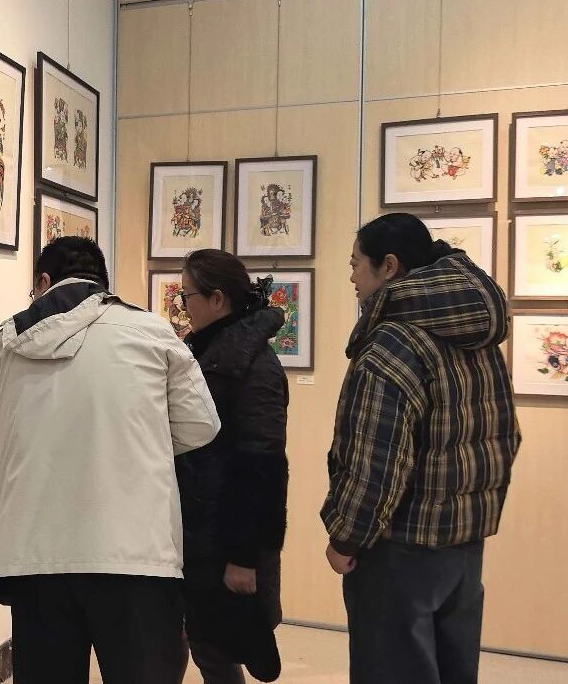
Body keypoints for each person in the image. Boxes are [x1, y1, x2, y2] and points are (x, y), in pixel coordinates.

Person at [0, 237, 220, 684]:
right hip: (136, 555)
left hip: (35, 559)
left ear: (44, 281)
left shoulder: (8, 339)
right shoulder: (152, 332)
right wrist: (140, 442)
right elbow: (202, 424)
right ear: (102, 282)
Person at [321, 213, 521, 684]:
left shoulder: (393, 343)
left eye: (355, 263)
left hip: (399, 549)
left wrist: (347, 538)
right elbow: (505, 434)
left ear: (388, 266)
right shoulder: (477, 340)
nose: (352, 276)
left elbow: (377, 461)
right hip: (463, 546)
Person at [175, 249, 289, 684]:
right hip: (200, 531)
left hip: (226, 537)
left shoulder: (253, 365)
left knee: (217, 650)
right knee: (202, 643)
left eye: (186, 296)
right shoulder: (209, 351)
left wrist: (244, 558)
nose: (183, 306)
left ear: (217, 299)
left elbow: (262, 467)